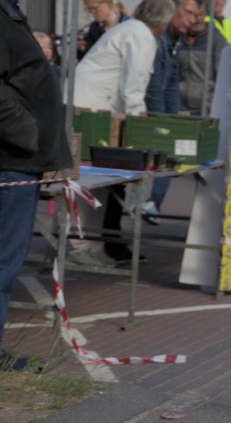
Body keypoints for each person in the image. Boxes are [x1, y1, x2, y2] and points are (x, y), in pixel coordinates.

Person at [0, 0, 72, 370]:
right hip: (8, 156)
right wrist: (29, 134)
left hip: (16, 155)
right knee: (0, 256)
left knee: (4, 254)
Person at [71, 0, 175, 266]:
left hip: (92, 106)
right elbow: (133, 90)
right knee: (90, 181)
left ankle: (91, 246)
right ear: (163, 24)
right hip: (91, 110)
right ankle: (82, 247)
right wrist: (139, 130)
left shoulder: (130, 29)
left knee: (94, 182)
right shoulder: (141, 36)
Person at [142, 0, 202, 223]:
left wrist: (174, 117)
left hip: (163, 111)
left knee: (167, 157)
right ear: (172, 10)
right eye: (187, 13)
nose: (191, 20)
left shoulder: (175, 40)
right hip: (144, 112)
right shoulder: (159, 38)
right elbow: (154, 86)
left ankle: (152, 203)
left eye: (195, 15)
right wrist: (162, 121)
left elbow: (171, 84)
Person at [177, 5, 227, 114]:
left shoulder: (216, 40)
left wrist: (211, 108)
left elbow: (223, 80)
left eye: (201, 14)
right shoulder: (178, 38)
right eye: (194, 15)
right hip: (178, 109)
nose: (198, 19)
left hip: (205, 111)